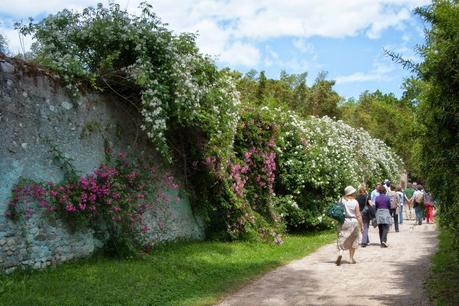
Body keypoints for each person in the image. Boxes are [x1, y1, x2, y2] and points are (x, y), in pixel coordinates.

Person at [336, 186, 364, 266]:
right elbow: (358, 215)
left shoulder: (341, 200)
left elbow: (338, 210)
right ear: (352, 193)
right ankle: (351, 259)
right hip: (353, 222)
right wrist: (362, 225)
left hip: (343, 221)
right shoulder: (355, 202)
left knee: (342, 237)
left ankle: (341, 253)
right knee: (354, 240)